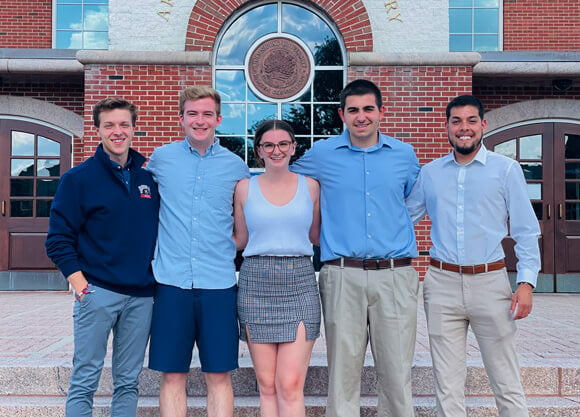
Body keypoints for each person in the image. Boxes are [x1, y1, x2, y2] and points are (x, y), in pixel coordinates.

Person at [291, 79, 421, 417]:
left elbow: (418, 201)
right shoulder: (321, 154)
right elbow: (286, 188)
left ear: (381, 111)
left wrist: (395, 228)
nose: (361, 117)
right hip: (341, 275)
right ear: (341, 115)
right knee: (342, 375)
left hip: (395, 275)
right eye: (353, 110)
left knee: (396, 373)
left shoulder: (404, 155)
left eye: (367, 109)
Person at [406, 95, 540, 417]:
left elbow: (525, 230)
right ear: (447, 127)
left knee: (506, 381)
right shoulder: (431, 173)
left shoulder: (506, 170)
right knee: (447, 385)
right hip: (441, 283)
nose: (463, 128)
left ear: (483, 125)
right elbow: (402, 220)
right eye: (456, 121)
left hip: (491, 284)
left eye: (470, 121)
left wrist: (526, 283)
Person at [45, 97, 159, 417]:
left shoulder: (148, 180)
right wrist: (81, 285)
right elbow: (58, 239)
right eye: (109, 125)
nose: (117, 131)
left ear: (134, 128)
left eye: (124, 124)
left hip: (141, 296)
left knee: (128, 381)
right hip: (97, 292)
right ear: (98, 130)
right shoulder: (78, 179)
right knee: (84, 379)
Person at [146, 86, 250, 417]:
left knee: (218, 375)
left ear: (218, 119)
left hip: (218, 286)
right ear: (181, 119)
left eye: (207, 114)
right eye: (192, 113)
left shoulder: (236, 167)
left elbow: (242, 232)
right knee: (172, 374)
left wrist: (220, 249)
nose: (200, 120)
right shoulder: (161, 159)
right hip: (171, 284)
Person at [232, 119, 321, 417]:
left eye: (283, 143)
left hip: (299, 282)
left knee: (291, 382)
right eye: (268, 145)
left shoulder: (311, 187)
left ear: (294, 147)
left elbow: (316, 236)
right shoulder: (244, 188)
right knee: (267, 384)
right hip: (256, 282)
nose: (276, 150)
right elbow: (241, 240)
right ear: (258, 150)